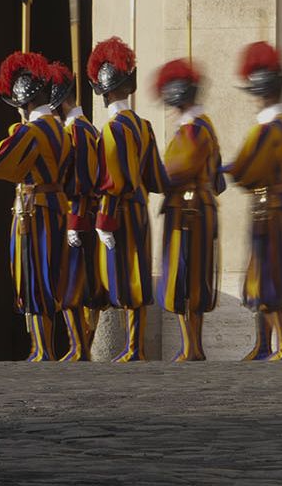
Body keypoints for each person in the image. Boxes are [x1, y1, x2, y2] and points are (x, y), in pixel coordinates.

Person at [0, 52, 71, 362]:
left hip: (35, 210)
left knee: (33, 276)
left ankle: (42, 348)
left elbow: (3, 163)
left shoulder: (31, 131)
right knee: (49, 274)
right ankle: (45, 347)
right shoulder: (60, 128)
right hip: (55, 204)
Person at [88, 37, 167, 362]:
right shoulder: (145, 126)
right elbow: (157, 178)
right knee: (137, 275)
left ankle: (134, 348)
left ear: (105, 92)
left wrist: (103, 221)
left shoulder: (110, 131)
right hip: (140, 209)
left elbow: (110, 183)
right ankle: (135, 346)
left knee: (123, 276)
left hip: (119, 210)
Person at [227, 40, 282, 361]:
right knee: (263, 278)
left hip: (268, 211)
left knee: (269, 281)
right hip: (281, 208)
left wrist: (229, 168)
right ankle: (263, 345)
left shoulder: (267, 132)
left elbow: (246, 170)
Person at [156, 58, 225, 361]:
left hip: (189, 214)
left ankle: (193, 347)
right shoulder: (202, 126)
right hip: (195, 210)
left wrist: (147, 174)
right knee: (189, 280)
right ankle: (191, 345)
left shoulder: (193, 131)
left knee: (188, 282)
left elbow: (175, 170)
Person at [56, 67, 107, 361]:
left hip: (78, 216)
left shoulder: (76, 131)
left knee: (73, 284)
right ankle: (81, 345)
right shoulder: (85, 128)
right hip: (81, 215)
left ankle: (80, 346)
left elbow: (81, 181)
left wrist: (73, 220)